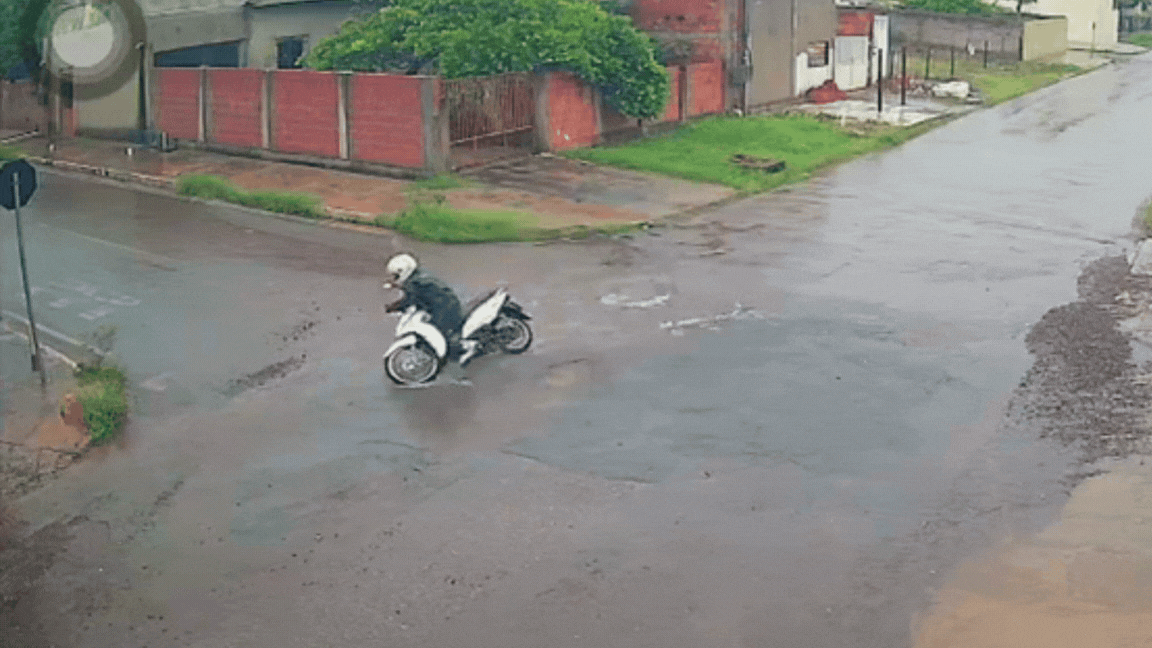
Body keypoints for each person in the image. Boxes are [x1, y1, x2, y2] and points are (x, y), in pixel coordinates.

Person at [384, 253, 479, 365]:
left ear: (403, 271)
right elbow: (415, 293)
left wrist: (393, 307)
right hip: (443, 304)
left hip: (445, 309)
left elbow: (409, 300)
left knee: (439, 330)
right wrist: (398, 286)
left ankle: (465, 348)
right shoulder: (418, 276)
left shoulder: (414, 283)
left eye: (396, 275)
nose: (395, 278)